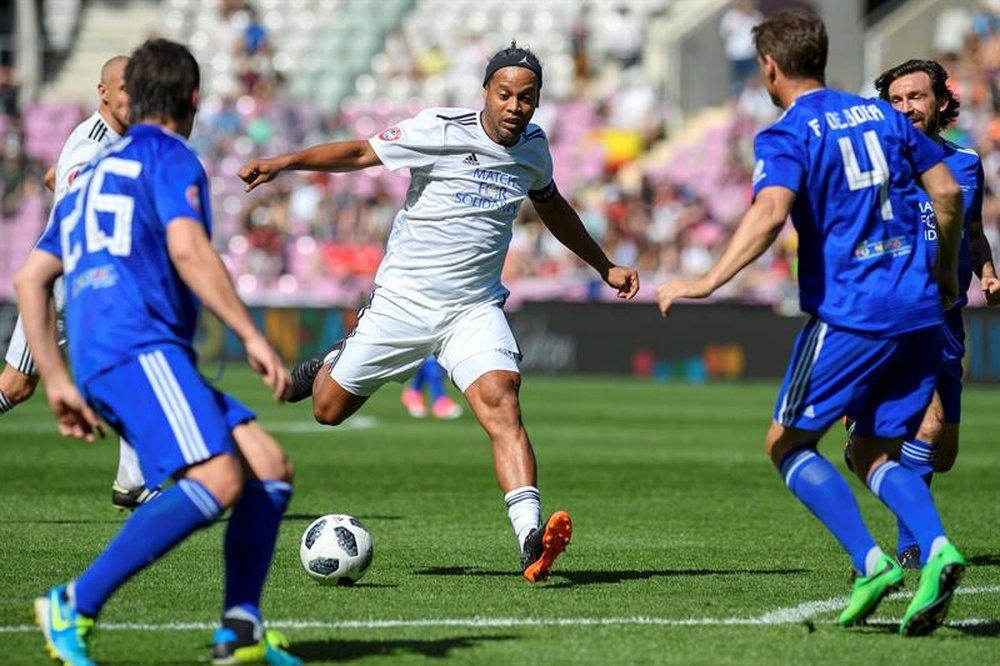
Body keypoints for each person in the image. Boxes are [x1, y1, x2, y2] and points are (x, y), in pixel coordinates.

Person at [239, 42, 640, 583]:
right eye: (505, 95)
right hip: (403, 302)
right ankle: (335, 359)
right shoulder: (440, 130)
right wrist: (284, 163)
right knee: (327, 411)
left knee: (502, 401)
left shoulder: (534, 150)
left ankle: (529, 539)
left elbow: (553, 207)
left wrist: (603, 265)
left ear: (538, 101)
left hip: (472, 307)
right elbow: (361, 154)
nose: (515, 106)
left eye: (527, 97)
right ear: (486, 93)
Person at [655, 12, 967, 636]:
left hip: (854, 312)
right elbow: (949, 195)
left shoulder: (787, 133)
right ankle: (937, 548)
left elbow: (771, 213)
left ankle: (872, 562)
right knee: (873, 448)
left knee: (786, 443)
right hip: (919, 310)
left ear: (769, 67)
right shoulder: (884, 117)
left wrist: (707, 280)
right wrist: (944, 275)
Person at [14, 39, 301, 665]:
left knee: (269, 467)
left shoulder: (94, 172)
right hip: (138, 347)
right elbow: (190, 250)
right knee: (218, 477)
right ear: (193, 99)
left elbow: (30, 278)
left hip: (107, 352)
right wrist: (252, 335)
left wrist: (59, 377)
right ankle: (74, 602)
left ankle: (241, 629)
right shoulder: (170, 158)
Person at [844, 58, 1000, 568]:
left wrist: (988, 271)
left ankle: (864, 439)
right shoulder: (874, 167)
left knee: (942, 453)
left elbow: (972, 231)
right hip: (892, 320)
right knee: (927, 430)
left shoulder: (967, 164)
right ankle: (915, 549)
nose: (906, 107)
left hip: (947, 322)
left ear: (940, 103)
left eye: (916, 97)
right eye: (896, 99)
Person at [0, 55, 155, 511]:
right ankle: (135, 479)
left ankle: (134, 480)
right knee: (15, 386)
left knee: (138, 364)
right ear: (102, 92)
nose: (133, 96)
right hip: (63, 291)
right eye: (124, 87)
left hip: (93, 287)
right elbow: (73, 185)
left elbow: (54, 178)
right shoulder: (92, 147)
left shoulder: (116, 141)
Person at [719, 0, 764, 96]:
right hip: (735, 55)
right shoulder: (731, 17)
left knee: (752, 81)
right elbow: (724, 33)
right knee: (737, 84)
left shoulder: (756, 16)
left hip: (751, 55)